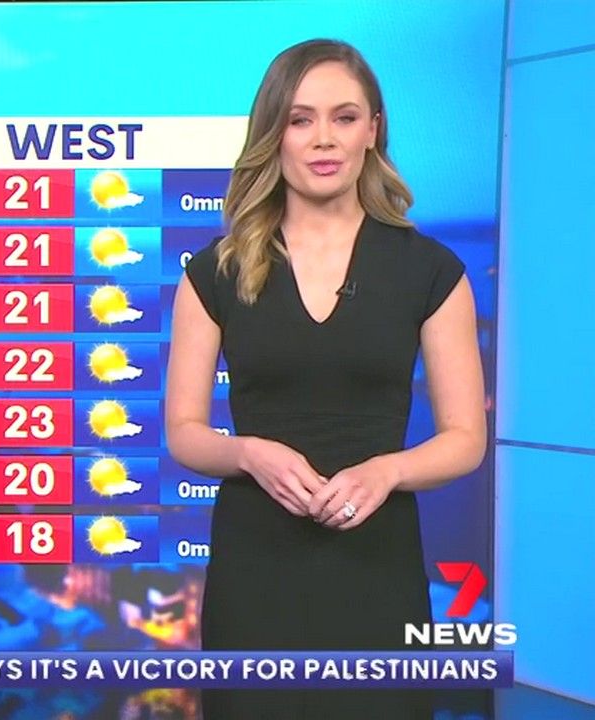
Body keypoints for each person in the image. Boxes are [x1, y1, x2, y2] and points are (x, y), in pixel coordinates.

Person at [165, 39, 487, 719]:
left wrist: (389, 471)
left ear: (373, 130)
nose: (323, 139)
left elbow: (465, 437)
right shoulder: (214, 273)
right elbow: (185, 431)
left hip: (378, 568)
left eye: (344, 117)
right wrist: (248, 453)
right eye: (300, 118)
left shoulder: (431, 272)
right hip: (255, 572)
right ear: (273, 133)